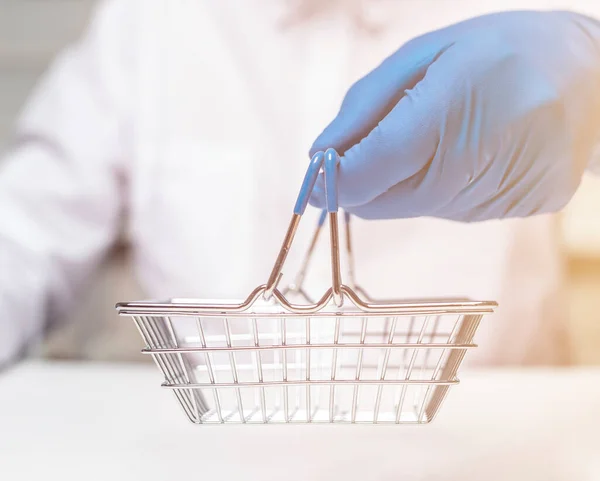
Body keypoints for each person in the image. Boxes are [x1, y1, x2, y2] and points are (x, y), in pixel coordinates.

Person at [1, 0, 597, 368]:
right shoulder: (150, 25)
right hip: (207, 456)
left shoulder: (530, 13)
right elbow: (21, 235)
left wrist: (592, 85)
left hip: (500, 451)